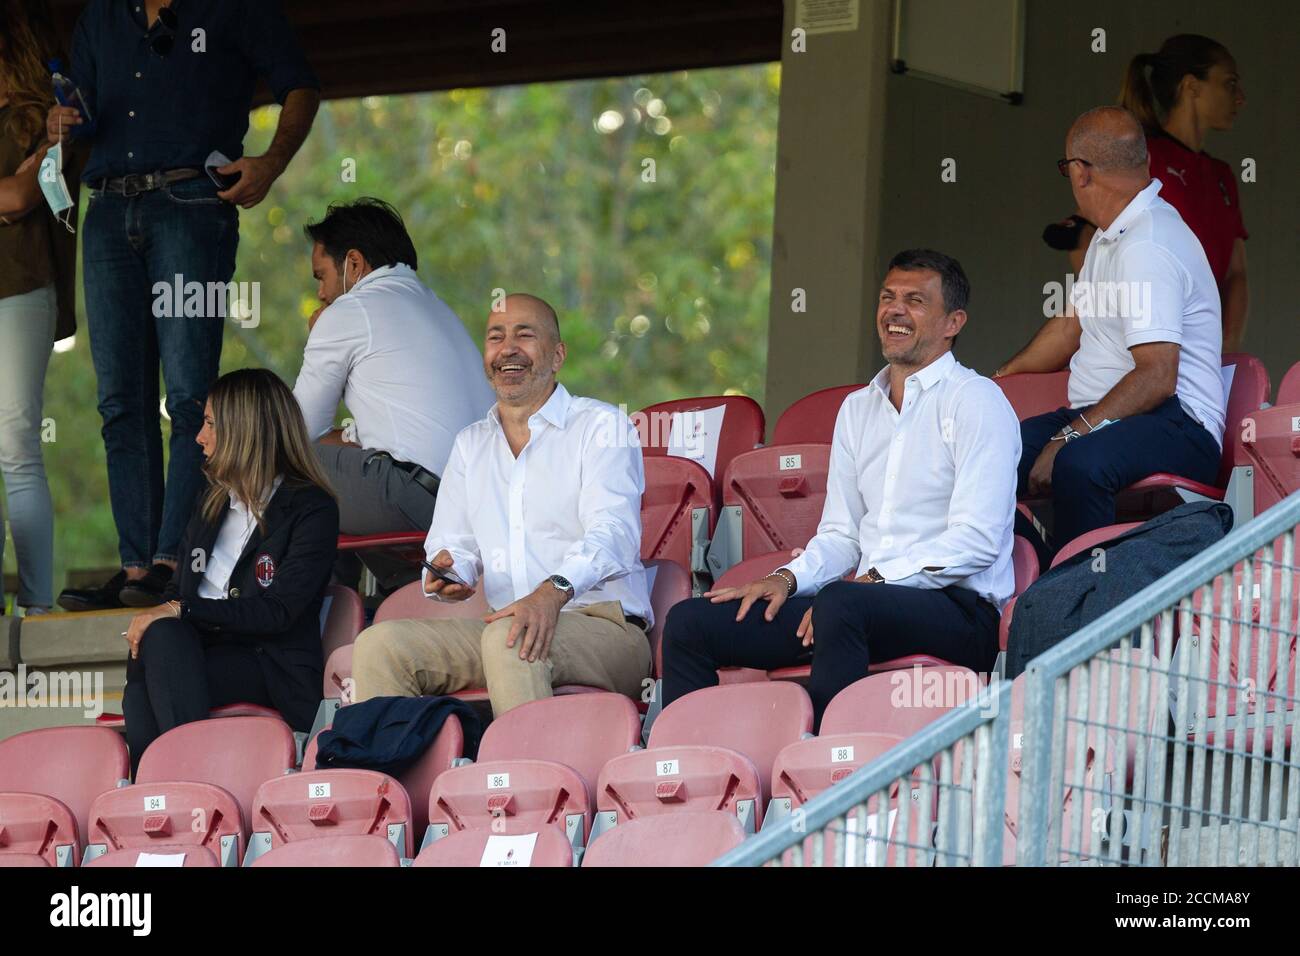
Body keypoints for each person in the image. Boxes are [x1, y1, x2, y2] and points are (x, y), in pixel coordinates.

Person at [661, 250, 1020, 728]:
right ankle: (697, 774)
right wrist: (786, 580)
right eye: (888, 297)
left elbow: (977, 541)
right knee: (690, 623)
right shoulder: (857, 409)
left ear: (953, 321)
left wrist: (876, 580)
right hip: (856, 610)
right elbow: (840, 536)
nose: (895, 310)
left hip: (957, 610)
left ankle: (833, 773)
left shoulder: (977, 401)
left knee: (841, 604)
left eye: (915, 300)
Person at [54, 0, 321, 612]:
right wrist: (61, 122)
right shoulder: (100, 18)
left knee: (190, 397)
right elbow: (86, 114)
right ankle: (136, 568)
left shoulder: (229, 7)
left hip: (191, 203)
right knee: (120, 401)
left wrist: (272, 163)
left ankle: (178, 561)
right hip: (108, 208)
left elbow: (300, 84)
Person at [351, 293, 653, 717]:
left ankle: (526, 780)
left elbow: (614, 535)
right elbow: (452, 543)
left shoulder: (602, 426)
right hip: (503, 628)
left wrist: (551, 594)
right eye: (496, 337)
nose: (507, 349)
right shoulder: (470, 443)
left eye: (524, 335)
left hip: (604, 628)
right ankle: (393, 781)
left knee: (510, 638)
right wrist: (448, 570)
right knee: (380, 645)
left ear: (558, 354)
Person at [1002, 107, 1225, 550]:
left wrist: (1068, 436)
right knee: (986, 458)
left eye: (1066, 168)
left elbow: (1157, 377)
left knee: (1079, 464)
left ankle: (1085, 605)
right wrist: (995, 383)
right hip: (1107, 415)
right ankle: (1044, 573)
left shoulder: (1149, 243)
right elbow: (1068, 330)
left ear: (1081, 173)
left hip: (1180, 423)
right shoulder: (1112, 236)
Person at [121, 369, 339, 775]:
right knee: (153, 649)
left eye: (210, 424)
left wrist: (182, 610)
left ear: (246, 431)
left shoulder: (311, 508)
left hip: (266, 662)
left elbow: (277, 613)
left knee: (160, 648)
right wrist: (175, 611)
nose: (199, 437)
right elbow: (176, 589)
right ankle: (169, 787)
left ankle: (174, 784)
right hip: (198, 653)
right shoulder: (210, 505)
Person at [293, 198, 494, 586]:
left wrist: (317, 335)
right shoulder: (436, 307)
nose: (320, 293)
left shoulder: (351, 310)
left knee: (267, 462)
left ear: (354, 264)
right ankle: (388, 598)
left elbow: (294, 433)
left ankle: (317, 621)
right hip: (474, 507)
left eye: (320, 276)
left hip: (415, 497)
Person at [1043, 35, 1248, 350]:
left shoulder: (1223, 176)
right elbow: (1081, 234)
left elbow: (1236, 273)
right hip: (1142, 345)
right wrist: (1122, 328)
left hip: (1199, 350)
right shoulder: (1143, 155)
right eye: (1229, 83)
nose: (1240, 98)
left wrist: (1227, 346)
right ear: (1191, 86)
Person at [0, 0, 81, 616]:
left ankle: (37, 608)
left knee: (16, 447)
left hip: (20, 289)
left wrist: (22, 177)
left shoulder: (39, 117)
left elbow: (22, 197)